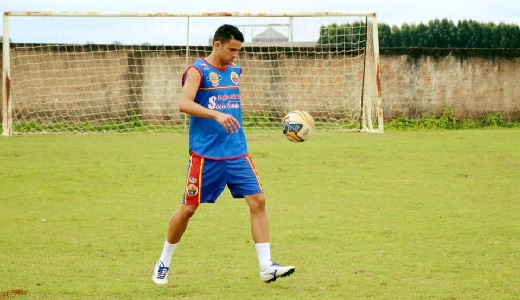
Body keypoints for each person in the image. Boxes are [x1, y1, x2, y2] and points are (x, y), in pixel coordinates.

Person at [152, 24, 295, 285]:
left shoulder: (235, 72)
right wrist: (216, 114)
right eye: (232, 49)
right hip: (206, 156)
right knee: (188, 209)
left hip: (237, 152)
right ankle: (164, 260)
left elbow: (229, 101)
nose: (235, 55)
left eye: (238, 50)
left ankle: (266, 266)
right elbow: (184, 103)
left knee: (258, 201)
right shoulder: (197, 71)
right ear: (217, 44)